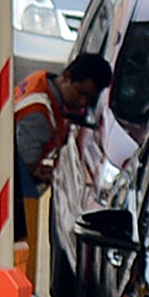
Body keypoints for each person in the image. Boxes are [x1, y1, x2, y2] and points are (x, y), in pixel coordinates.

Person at [12, 51, 111, 239]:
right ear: (67, 77)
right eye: (81, 93)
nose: (83, 102)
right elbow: (24, 164)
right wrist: (37, 173)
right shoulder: (39, 114)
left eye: (90, 99)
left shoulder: (40, 80)